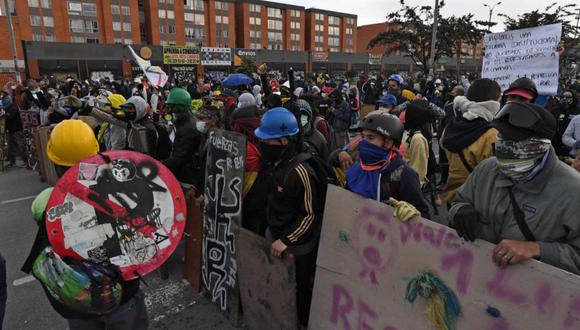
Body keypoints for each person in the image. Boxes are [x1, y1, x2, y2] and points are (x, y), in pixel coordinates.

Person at [22, 119, 148, 329]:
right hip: (123, 293)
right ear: (94, 154)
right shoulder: (117, 193)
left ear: (54, 161)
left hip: (79, 297)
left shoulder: (44, 202)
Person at [449, 102, 580, 274]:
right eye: (502, 136)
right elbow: (458, 202)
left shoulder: (573, 190)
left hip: (533, 293)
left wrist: (537, 249)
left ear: (541, 144)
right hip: (475, 276)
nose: (504, 144)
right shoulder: (486, 170)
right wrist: (460, 210)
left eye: (515, 140)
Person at [255, 107, 321, 327]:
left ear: (285, 141)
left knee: (298, 289)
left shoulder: (302, 171)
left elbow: (309, 215)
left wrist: (287, 240)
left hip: (297, 245)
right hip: (275, 235)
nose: (264, 145)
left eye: (268, 141)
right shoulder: (274, 164)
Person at [345, 111, 430, 219]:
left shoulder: (405, 175)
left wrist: (414, 214)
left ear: (388, 143)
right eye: (363, 137)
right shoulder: (356, 169)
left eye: (370, 138)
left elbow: (425, 219)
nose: (363, 142)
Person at [440, 78, 501, 204]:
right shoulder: (492, 135)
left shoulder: (451, 126)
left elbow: (443, 144)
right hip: (478, 201)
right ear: (493, 103)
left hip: (453, 196)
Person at [162, 88, 200, 189]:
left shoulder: (188, 129)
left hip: (186, 177)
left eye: (171, 106)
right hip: (183, 172)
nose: (169, 110)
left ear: (179, 107)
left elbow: (179, 158)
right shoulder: (182, 122)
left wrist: (158, 165)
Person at [402, 101, 432, 187]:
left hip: (411, 184)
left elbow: (418, 169)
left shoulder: (416, 138)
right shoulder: (412, 135)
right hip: (408, 182)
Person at [1, 85, 26, 167]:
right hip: (10, 129)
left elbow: (9, 116)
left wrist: (3, 115)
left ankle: (26, 161)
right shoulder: (7, 108)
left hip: (16, 129)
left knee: (20, 145)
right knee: (11, 147)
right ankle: (12, 162)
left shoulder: (13, 107)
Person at [552, 89, 580, 157]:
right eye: (563, 96)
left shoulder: (578, 112)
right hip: (555, 146)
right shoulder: (555, 110)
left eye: (568, 97)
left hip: (572, 148)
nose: (565, 98)